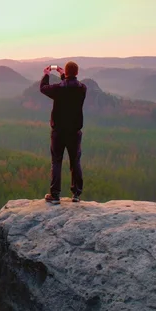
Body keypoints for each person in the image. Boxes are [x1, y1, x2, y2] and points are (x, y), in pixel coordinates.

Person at [40, 61, 87, 205]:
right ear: (77, 73)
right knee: (75, 162)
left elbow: (43, 88)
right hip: (74, 132)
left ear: (66, 72)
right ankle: (76, 195)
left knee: (57, 162)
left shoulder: (59, 89)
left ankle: (55, 195)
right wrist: (63, 75)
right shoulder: (82, 88)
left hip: (58, 132)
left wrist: (47, 75)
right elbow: (70, 87)